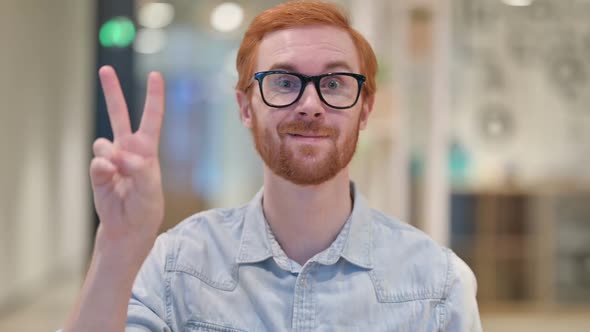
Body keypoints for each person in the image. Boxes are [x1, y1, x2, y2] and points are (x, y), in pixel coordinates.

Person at [63, 1, 482, 331]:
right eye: (284, 82)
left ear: (365, 110)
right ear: (246, 107)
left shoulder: (437, 284)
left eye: (334, 84)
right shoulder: (180, 264)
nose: (311, 105)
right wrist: (117, 248)